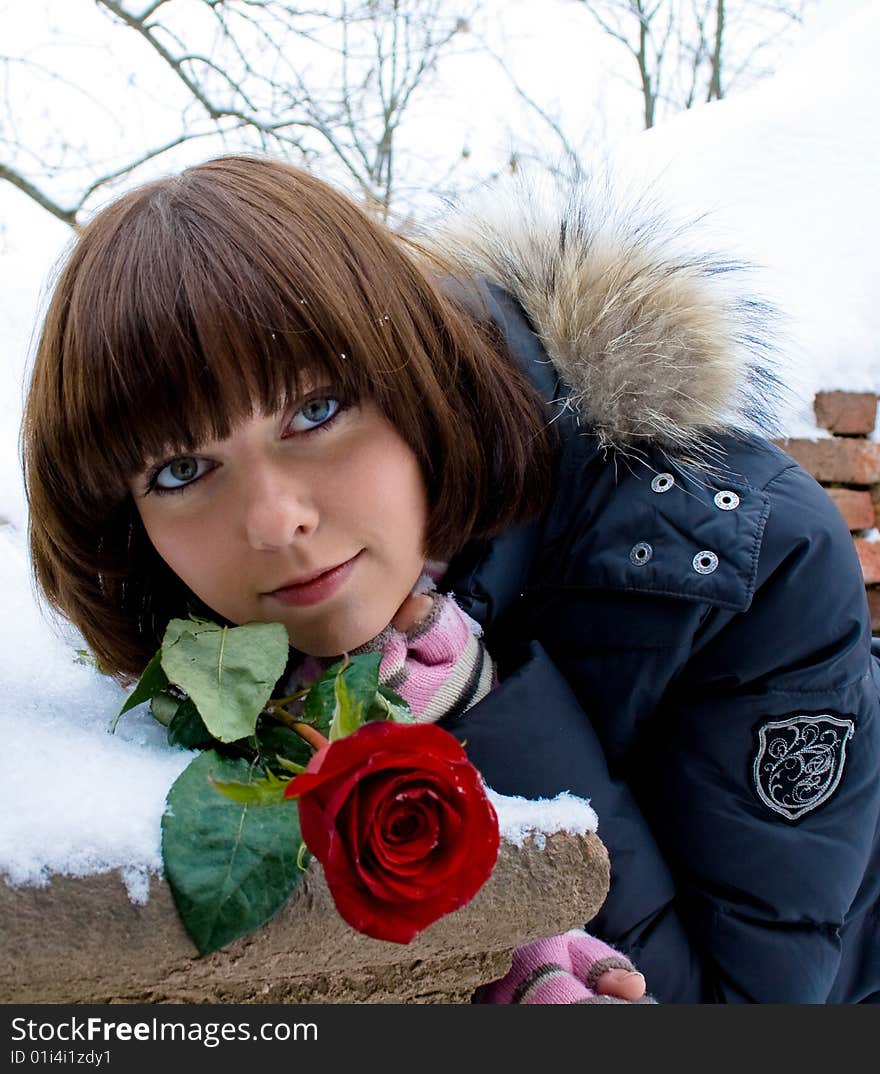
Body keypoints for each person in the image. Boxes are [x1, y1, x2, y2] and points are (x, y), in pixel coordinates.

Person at [22, 155, 879, 1004]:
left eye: (315, 412)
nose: (275, 522)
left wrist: (473, 712)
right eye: (179, 472)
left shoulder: (751, 560)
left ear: (414, 379)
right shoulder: (201, 645)